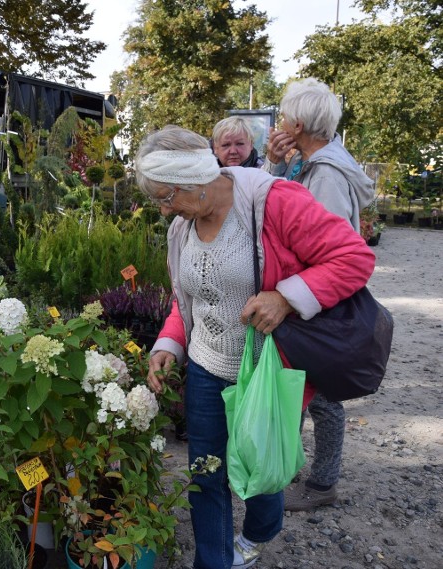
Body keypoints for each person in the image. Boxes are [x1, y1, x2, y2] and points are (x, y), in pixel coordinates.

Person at [135, 125, 375, 569]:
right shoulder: (180, 230)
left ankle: (262, 528)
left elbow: (355, 257)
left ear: (196, 181)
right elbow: (189, 295)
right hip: (206, 366)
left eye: (168, 197)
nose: (165, 209)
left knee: (262, 471)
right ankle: (214, 562)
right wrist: (169, 343)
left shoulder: (272, 203)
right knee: (206, 473)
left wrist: (286, 297)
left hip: (266, 368)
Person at [263, 78, 375, 512]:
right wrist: (275, 164)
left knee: (322, 394)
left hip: (317, 300)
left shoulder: (325, 173)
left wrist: (292, 296)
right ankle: (296, 472)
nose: (281, 122)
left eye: (286, 115)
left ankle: (321, 484)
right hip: (305, 296)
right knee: (306, 389)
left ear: (301, 122)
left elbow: (331, 249)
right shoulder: (310, 163)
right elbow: (273, 203)